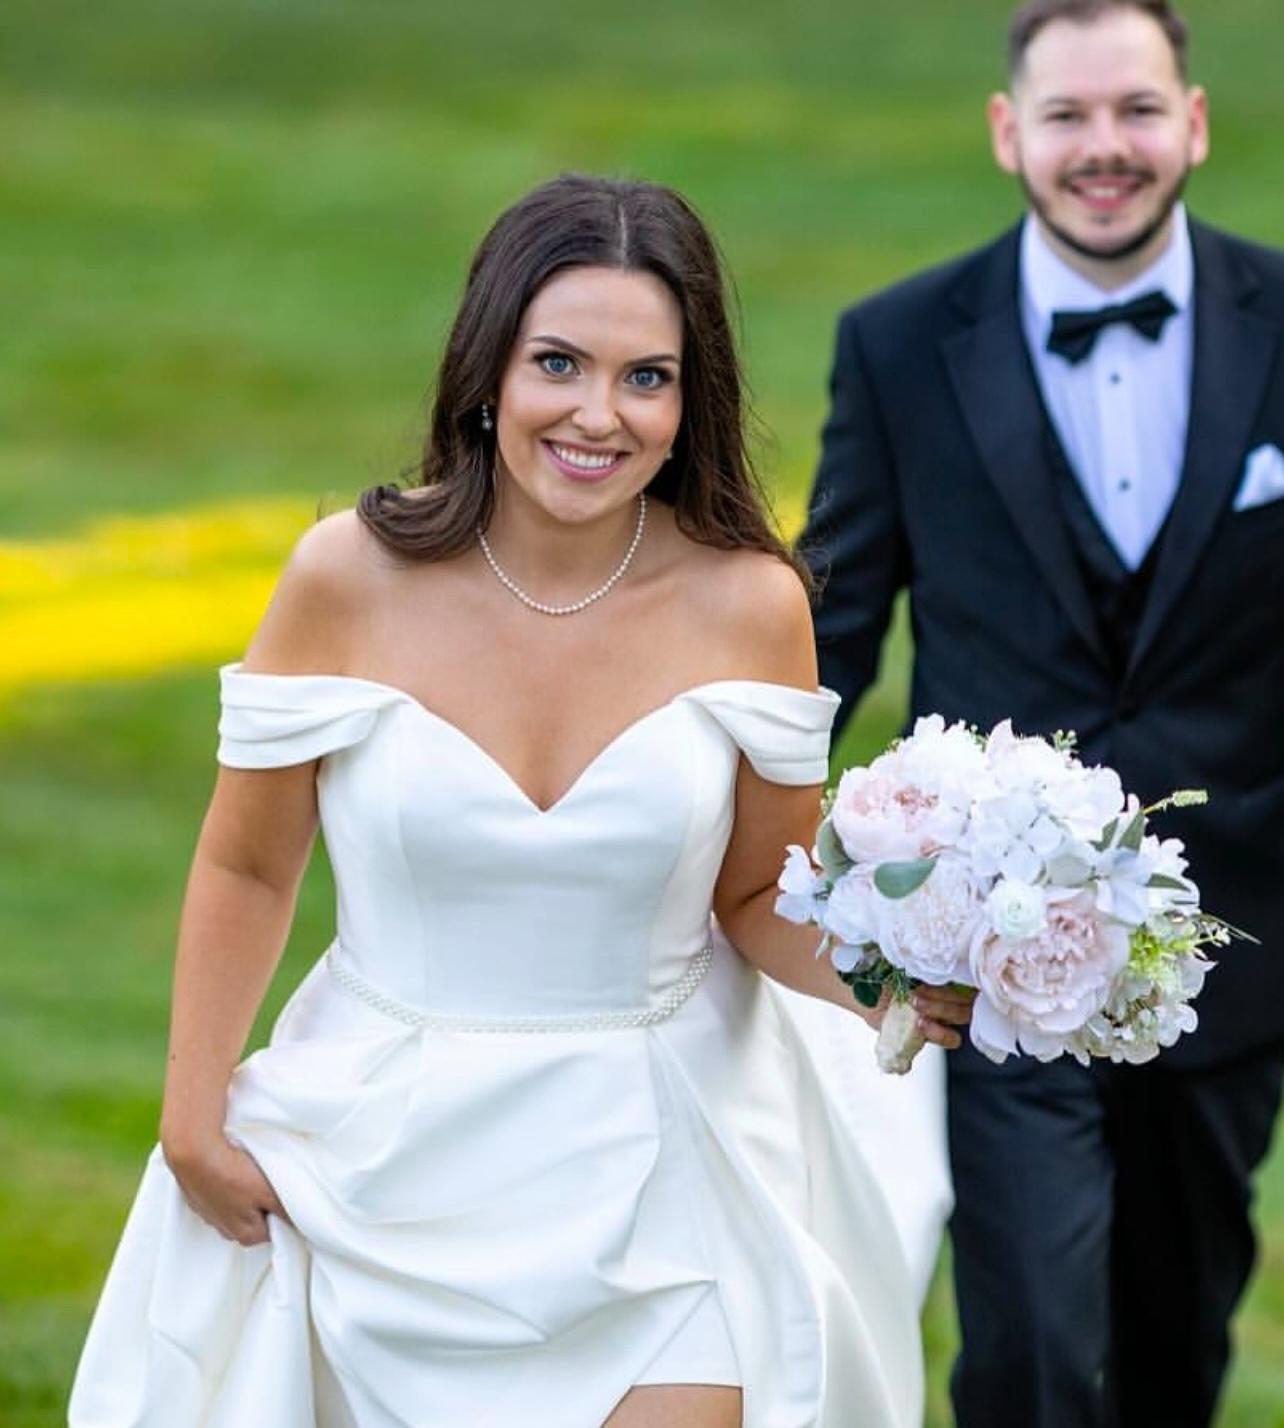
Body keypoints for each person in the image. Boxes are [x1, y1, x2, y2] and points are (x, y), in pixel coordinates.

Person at [69, 174, 974, 1428]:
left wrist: (899, 977)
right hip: (386, 1149)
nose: (598, 414)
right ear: (488, 368)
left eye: (647, 377)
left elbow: (760, 894)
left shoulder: (750, 605)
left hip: (663, 1156)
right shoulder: (346, 579)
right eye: (559, 363)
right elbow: (250, 865)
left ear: (690, 402)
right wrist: (191, 1123)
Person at [801, 2, 1284, 1424]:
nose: (1104, 147)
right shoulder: (899, 346)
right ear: (1011, 133)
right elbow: (833, 626)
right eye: (1068, 115)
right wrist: (730, 825)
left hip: (1234, 939)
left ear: (1194, 122)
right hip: (988, 954)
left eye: (1137, 109)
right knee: (1026, 1352)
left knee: (1175, 1341)